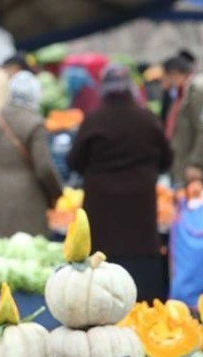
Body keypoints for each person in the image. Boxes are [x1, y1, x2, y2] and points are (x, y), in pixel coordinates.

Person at [67, 65, 173, 302]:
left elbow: (74, 161)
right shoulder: (147, 119)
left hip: (101, 209)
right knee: (141, 281)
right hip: (140, 211)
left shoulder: (94, 120)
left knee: (101, 269)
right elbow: (167, 159)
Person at [0, 71, 63, 238]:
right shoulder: (34, 123)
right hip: (27, 198)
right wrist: (57, 192)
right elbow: (44, 168)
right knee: (26, 251)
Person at [163, 55, 203, 187]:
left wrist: (197, 163)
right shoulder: (183, 93)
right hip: (183, 164)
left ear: (174, 74)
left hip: (195, 169)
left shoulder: (197, 91)